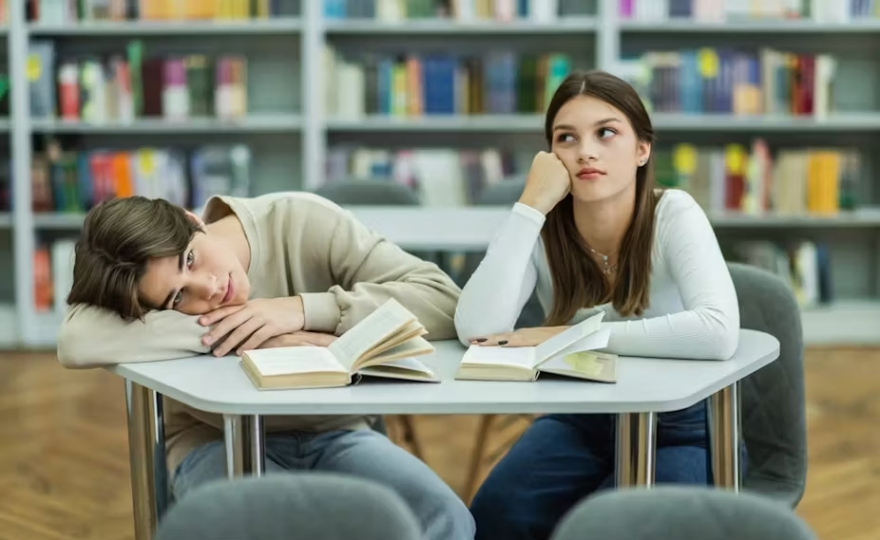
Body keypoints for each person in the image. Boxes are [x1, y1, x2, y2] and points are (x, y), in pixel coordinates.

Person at [56, 191, 475, 540]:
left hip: (335, 432)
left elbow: (444, 298)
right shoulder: (150, 290)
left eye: (190, 260)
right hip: (211, 440)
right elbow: (75, 341)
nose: (210, 289)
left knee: (446, 518)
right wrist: (250, 330)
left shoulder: (302, 222)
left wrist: (302, 310)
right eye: (178, 300)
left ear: (191, 219)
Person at [454, 71, 742, 540]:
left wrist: (575, 335)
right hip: (580, 417)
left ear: (642, 149)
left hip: (679, 426)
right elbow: (476, 327)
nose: (586, 151)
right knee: (496, 515)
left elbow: (717, 331)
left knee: (611, 527)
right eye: (566, 138)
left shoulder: (674, 212)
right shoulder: (542, 227)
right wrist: (530, 204)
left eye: (606, 133)